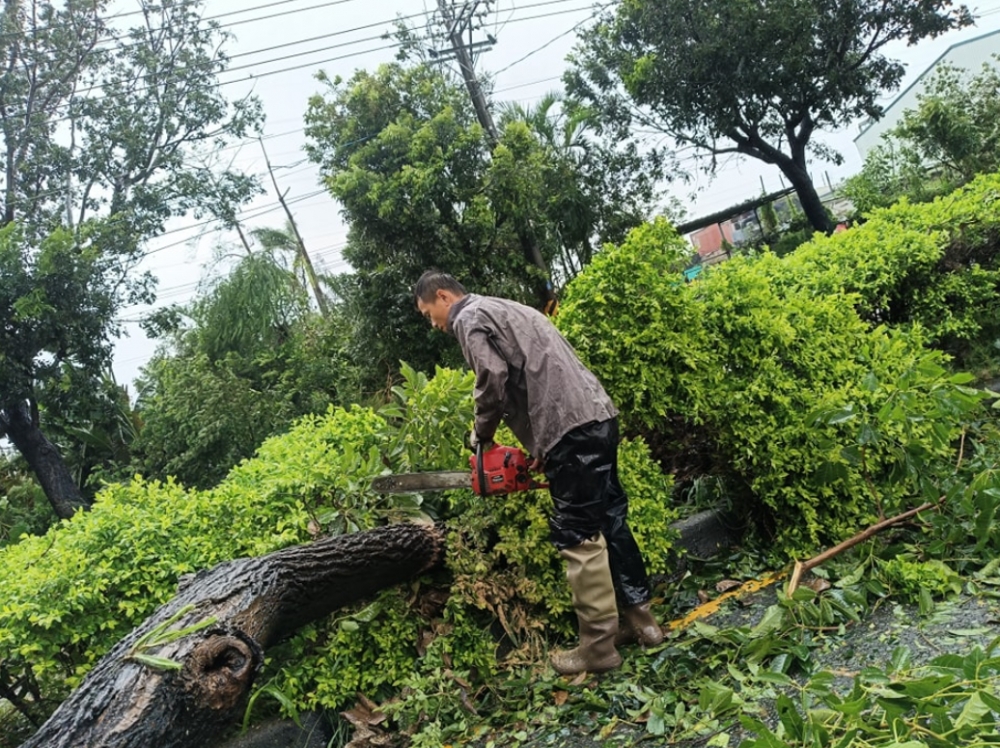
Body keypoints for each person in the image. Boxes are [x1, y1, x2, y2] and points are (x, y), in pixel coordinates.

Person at [413, 270, 662, 676]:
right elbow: (541, 375)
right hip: (597, 418)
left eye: (429, 313)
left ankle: (598, 648)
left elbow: (491, 378)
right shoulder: (507, 308)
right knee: (610, 519)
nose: (434, 323)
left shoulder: (468, 317)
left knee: (577, 535)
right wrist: (542, 445)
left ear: (443, 296)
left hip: (567, 430)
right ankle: (643, 623)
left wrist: (481, 435)